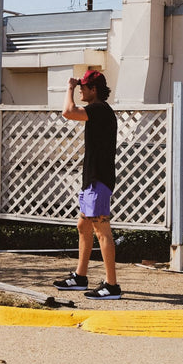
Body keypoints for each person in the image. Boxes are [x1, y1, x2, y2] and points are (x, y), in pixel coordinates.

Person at [53, 70, 122, 300]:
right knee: (83, 226)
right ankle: (80, 277)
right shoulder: (99, 111)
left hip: (99, 181)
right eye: (79, 86)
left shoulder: (100, 109)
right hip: (93, 180)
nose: (81, 89)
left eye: (83, 87)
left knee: (102, 232)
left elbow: (67, 112)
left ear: (94, 90)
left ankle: (112, 285)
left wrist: (69, 87)